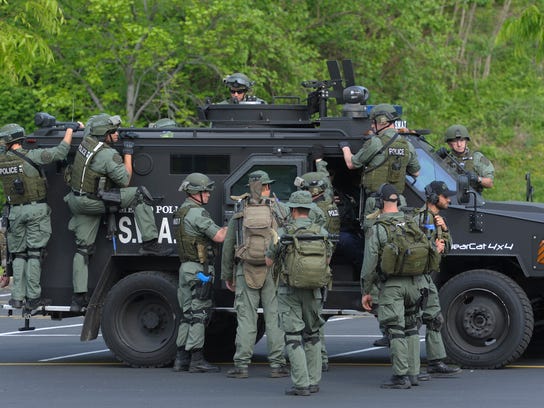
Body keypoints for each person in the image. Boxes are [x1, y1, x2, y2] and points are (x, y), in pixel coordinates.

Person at [64, 114, 171, 312]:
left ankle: (78, 299)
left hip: (76, 200)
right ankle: (150, 243)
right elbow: (125, 180)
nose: (117, 134)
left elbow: (91, 126)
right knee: (139, 195)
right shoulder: (107, 155)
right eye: (113, 132)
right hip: (93, 201)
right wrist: (128, 152)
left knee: (83, 250)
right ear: (105, 135)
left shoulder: (85, 142)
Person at [361, 183, 438, 389]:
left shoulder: (378, 228)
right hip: (416, 283)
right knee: (412, 327)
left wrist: (366, 291)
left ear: (380, 202)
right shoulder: (411, 222)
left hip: (392, 286)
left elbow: (369, 264)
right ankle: (413, 373)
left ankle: (400, 376)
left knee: (395, 329)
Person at [0, 121, 79, 309]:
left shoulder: (2, 161)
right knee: (34, 254)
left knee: (19, 255)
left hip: (14, 212)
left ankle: (17, 297)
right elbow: (60, 152)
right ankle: (33, 297)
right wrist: (70, 131)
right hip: (35, 210)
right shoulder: (33, 155)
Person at [221, 170, 289, 379]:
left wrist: (228, 274)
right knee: (275, 318)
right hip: (272, 270)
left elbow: (229, 245)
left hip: (246, 268)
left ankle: (241, 365)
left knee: (246, 319)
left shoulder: (241, 210)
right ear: (266, 187)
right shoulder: (279, 209)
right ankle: (277, 365)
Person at [265, 190, 333, 396]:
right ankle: (313, 381)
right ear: (309, 209)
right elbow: (327, 260)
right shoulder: (321, 231)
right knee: (312, 335)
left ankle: (301, 384)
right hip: (314, 290)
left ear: (293, 209)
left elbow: (268, 261)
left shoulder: (284, 233)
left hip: (289, 290)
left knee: (293, 336)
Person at [172, 172, 228, 373]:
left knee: (186, 314)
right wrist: (234, 222)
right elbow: (220, 236)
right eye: (206, 191)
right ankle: (196, 359)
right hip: (199, 271)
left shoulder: (182, 211)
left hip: (185, 268)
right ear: (196, 192)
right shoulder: (198, 213)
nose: (209, 195)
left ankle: (181, 359)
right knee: (199, 313)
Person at [338, 103, 420, 218]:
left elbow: (352, 164)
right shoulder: (407, 145)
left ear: (382, 121)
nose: (372, 126)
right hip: (398, 203)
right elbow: (416, 172)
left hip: (378, 203)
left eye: (373, 122)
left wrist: (345, 147)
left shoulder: (376, 142)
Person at [294, 168, 340, 372]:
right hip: (321, 266)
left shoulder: (312, 212)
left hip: (306, 266)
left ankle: (318, 358)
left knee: (309, 318)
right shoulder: (329, 207)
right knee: (316, 314)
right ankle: (320, 358)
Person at [415, 181, 462, 377]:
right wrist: (436, 248)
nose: (449, 199)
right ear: (434, 197)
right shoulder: (421, 219)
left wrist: (444, 230)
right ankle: (409, 369)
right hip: (417, 278)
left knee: (435, 318)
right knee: (412, 322)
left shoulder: (437, 220)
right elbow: (418, 249)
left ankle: (435, 362)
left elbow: (448, 248)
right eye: (445, 196)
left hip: (427, 278)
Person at [440, 124, 494, 194]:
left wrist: (477, 179)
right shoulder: (445, 159)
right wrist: (435, 157)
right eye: (455, 141)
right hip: (449, 198)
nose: (459, 144)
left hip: (472, 198)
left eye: (462, 140)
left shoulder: (477, 158)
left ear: (466, 141)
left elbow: (490, 183)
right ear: (449, 143)